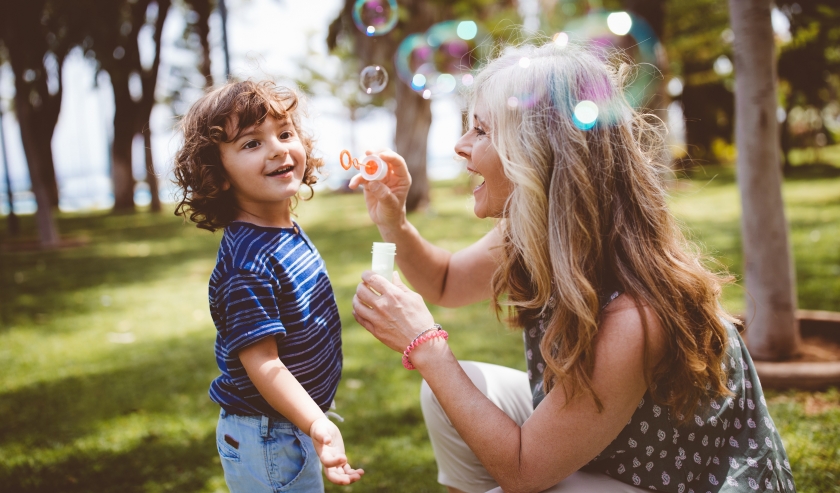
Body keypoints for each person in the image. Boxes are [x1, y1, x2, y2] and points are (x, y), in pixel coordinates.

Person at [350, 42, 795, 493]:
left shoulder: (635, 316)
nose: (460, 146)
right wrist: (396, 222)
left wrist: (425, 346)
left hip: (681, 483)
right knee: (454, 397)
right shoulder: (534, 230)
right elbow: (445, 282)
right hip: (615, 454)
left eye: (481, 131)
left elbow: (524, 472)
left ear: (538, 155)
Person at [172, 80, 363, 492]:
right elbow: (263, 363)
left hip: (287, 423)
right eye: (251, 144)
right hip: (268, 436)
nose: (277, 148)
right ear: (218, 175)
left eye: (285, 133)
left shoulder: (283, 229)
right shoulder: (248, 263)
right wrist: (318, 424)